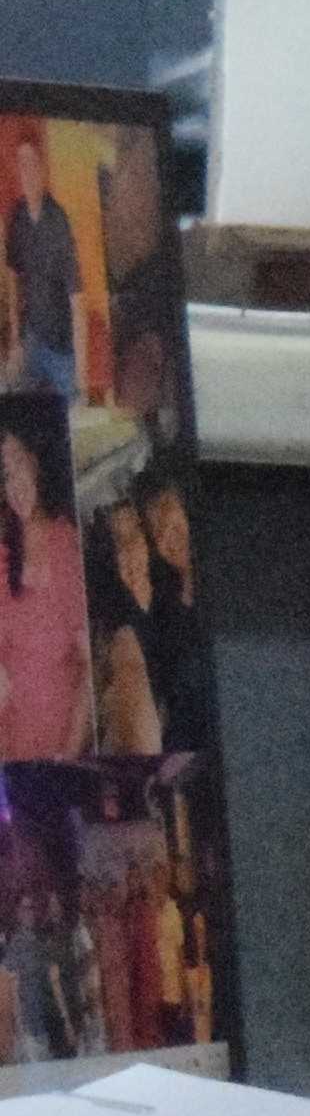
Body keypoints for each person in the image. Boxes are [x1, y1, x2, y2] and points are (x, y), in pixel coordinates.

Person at [0, 421, 88, 764]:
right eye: (4, 477)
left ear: (35, 461)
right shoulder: (5, 549)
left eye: (16, 466)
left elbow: (87, 670)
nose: (14, 486)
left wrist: (66, 757)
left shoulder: (64, 543)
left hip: (55, 743)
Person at [0, 139, 74, 409]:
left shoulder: (58, 220)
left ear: (43, 169)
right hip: (30, 337)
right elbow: (13, 276)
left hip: (61, 346)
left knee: (69, 416)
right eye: (22, 164)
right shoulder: (17, 216)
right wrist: (17, 340)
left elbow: (76, 295)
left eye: (32, 163)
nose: (27, 170)